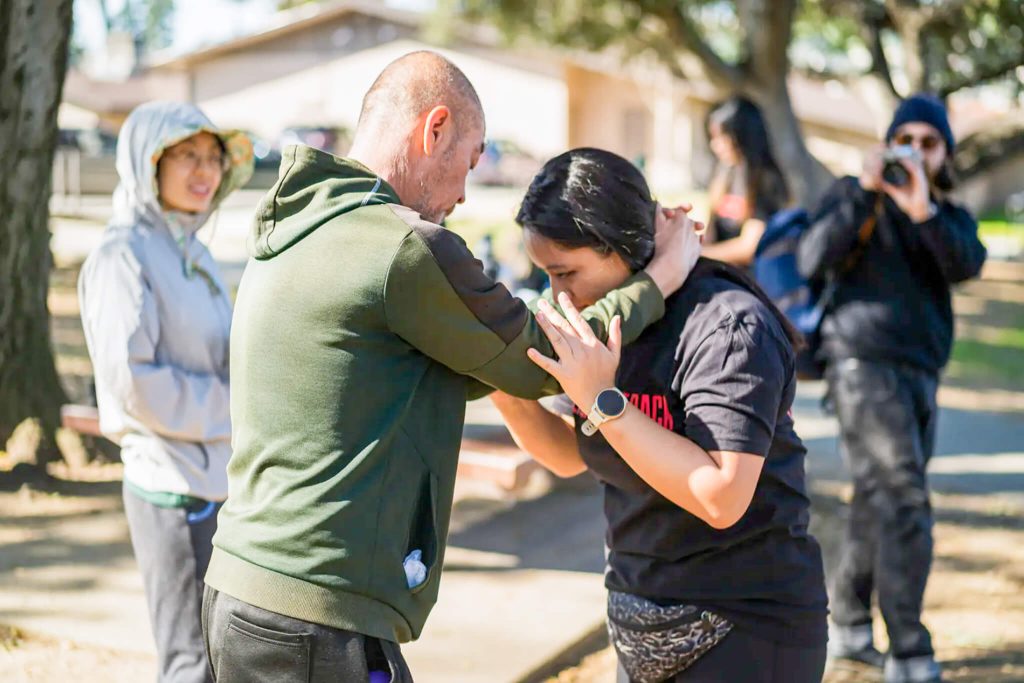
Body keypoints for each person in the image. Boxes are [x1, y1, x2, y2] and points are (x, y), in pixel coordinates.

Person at [201, 51, 700, 681]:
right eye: (468, 161)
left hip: (240, 591)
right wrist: (661, 278)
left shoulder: (301, 226)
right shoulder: (403, 247)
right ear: (433, 129)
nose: (465, 193)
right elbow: (551, 362)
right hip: (320, 614)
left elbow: (466, 364)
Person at [490, 148, 829, 683]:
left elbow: (721, 495)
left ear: (622, 246)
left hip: (744, 626)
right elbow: (566, 454)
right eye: (546, 275)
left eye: (567, 272)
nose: (559, 294)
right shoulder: (604, 322)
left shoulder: (727, 325)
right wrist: (501, 384)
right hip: (640, 619)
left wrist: (604, 401)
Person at [798, 93, 987, 683]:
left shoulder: (946, 215)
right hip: (860, 364)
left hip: (920, 373)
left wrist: (923, 208)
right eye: (906, 139)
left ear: (945, 154)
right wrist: (863, 190)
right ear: (888, 143)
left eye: (930, 143)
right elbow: (810, 256)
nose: (916, 151)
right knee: (905, 498)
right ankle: (908, 648)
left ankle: (851, 623)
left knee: (880, 497)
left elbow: (967, 264)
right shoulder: (854, 197)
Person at [78, 101, 253, 683]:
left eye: (212, 158)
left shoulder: (192, 251)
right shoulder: (121, 255)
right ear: (147, 162)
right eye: (186, 156)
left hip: (216, 480)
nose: (204, 171)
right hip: (171, 488)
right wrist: (237, 408)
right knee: (189, 662)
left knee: (223, 655)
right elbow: (133, 384)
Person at [701, 96, 789, 267]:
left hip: (744, 281)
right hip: (714, 270)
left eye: (721, 137)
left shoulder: (765, 180)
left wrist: (699, 255)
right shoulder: (724, 171)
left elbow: (748, 247)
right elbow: (710, 228)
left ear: (741, 136)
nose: (715, 145)